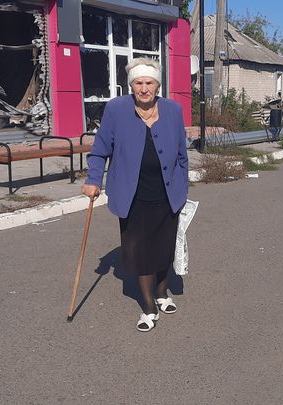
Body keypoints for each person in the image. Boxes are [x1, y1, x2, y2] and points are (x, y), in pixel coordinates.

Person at [82, 58, 189, 332]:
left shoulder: (173, 110)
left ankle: (163, 293)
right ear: (131, 86)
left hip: (167, 193)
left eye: (149, 83)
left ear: (157, 85)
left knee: (164, 249)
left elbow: (181, 153)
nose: (144, 89)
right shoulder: (116, 109)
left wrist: (182, 186)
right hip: (133, 195)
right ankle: (149, 307)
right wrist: (93, 179)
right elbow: (100, 149)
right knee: (141, 253)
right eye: (138, 83)